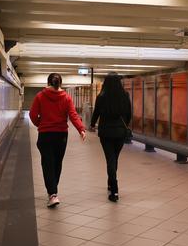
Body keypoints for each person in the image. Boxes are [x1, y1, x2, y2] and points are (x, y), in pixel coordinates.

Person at [30, 73, 87, 208]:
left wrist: (40, 124)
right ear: (60, 83)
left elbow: (32, 114)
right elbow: (73, 115)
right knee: (57, 163)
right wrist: (81, 129)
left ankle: (52, 194)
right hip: (61, 135)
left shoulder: (40, 96)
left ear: (48, 82)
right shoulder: (66, 97)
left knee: (47, 163)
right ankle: (53, 191)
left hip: (45, 135)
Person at [90, 73, 132, 202]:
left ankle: (114, 190)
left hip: (106, 132)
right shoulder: (125, 96)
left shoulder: (101, 97)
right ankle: (110, 183)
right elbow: (129, 114)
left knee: (110, 159)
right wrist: (124, 125)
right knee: (114, 158)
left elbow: (96, 112)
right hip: (120, 132)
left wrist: (92, 124)